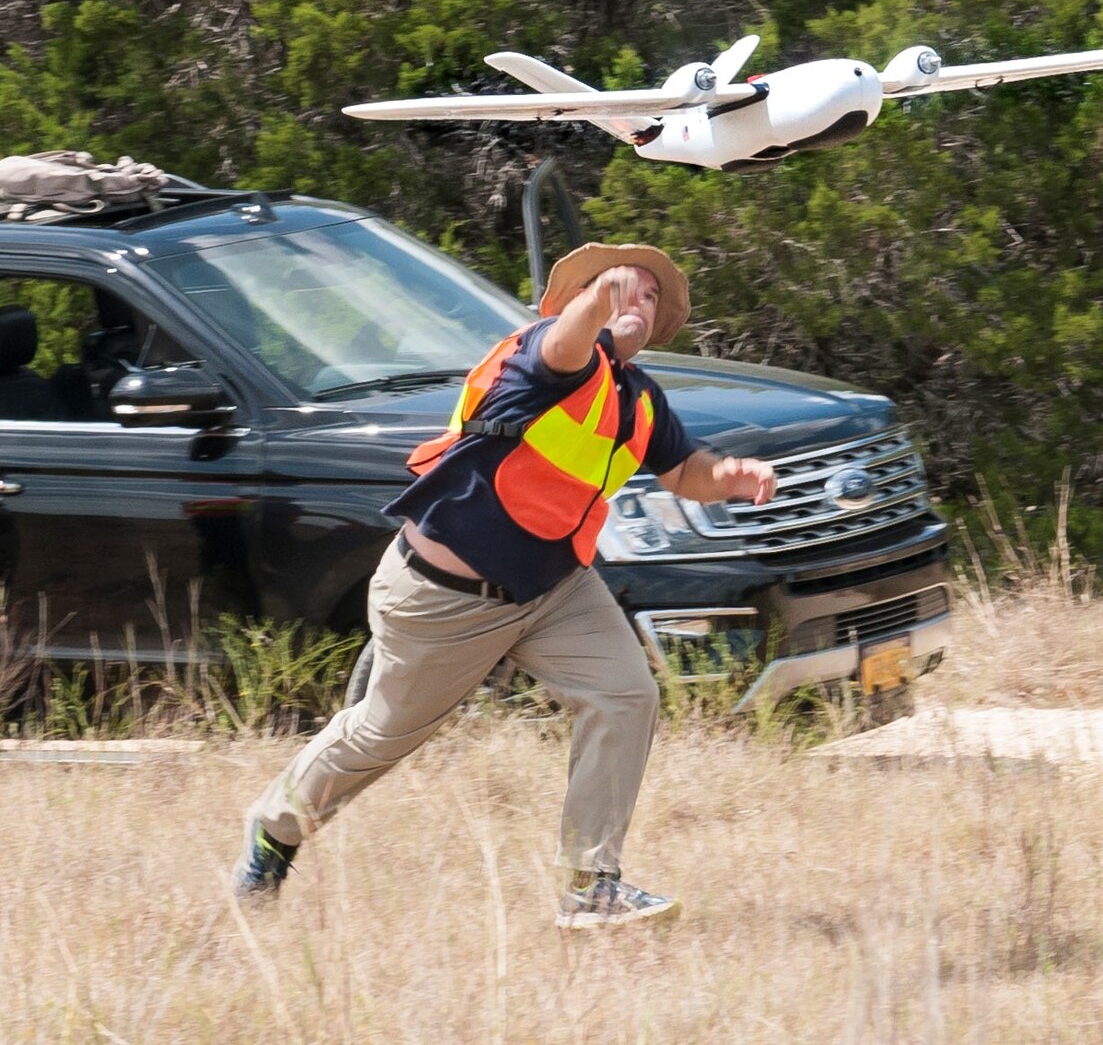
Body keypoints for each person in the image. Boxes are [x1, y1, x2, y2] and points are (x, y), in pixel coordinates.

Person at [233, 242, 776, 929]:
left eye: (646, 296)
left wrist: (727, 476)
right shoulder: (545, 355)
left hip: (552, 589)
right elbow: (570, 335)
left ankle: (590, 886)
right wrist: (597, 302)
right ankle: (274, 828)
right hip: (444, 599)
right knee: (378, 736)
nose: (632, 301)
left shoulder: (639, 399)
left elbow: (684, 470)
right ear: (583, 300)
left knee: (626, 694)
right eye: (618, 289)